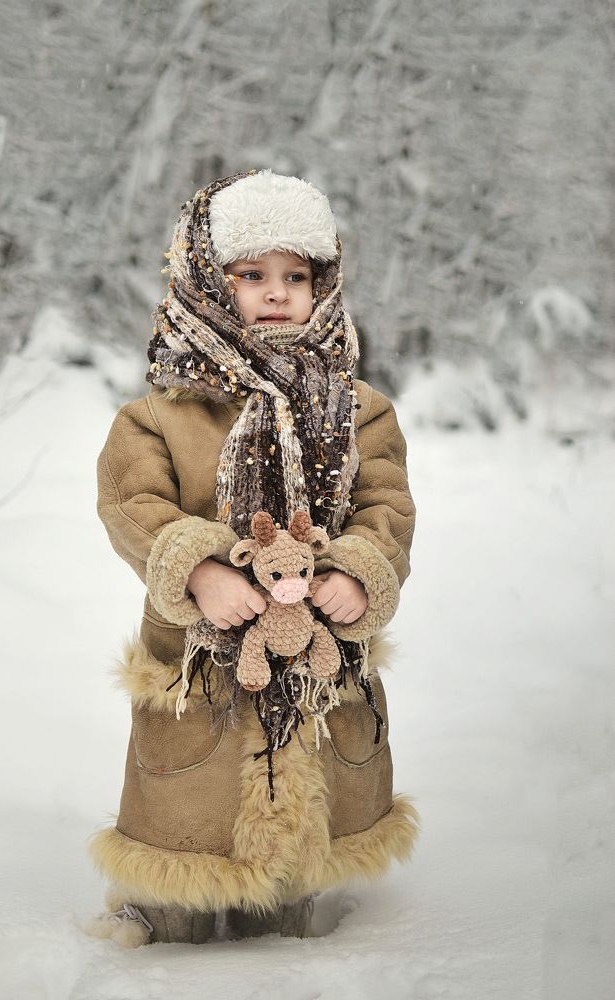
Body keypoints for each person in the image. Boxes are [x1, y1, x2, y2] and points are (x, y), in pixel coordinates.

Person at [86, 169, 419, 947]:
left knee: (312, 776)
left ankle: (293, 909)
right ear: (208, 277)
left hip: (315, 641)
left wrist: (357, 571)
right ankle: (160, 910)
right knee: (189, 799)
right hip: (201, 647)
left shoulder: (357, 408)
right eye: (252, 275)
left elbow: (387, 506)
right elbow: (131, 504)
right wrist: (197, 568)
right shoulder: (162, 412)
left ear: (324, 284)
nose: (277, 293)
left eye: (296, 276)